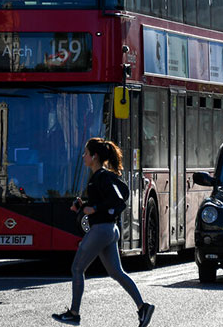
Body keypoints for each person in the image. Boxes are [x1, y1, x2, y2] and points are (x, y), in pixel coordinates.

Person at [52, 138, 155, 327]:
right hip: (108, 230)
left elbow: (118, 200)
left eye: (85, 153)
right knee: (117, 273)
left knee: (77, 268)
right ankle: (143, 307)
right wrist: (84, 206)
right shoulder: (100, 177)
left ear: (94, 156)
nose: (83, 156)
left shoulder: (102, 177)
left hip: (102, 230)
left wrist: (96, 208)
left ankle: (74, 313)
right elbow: (114, 197)